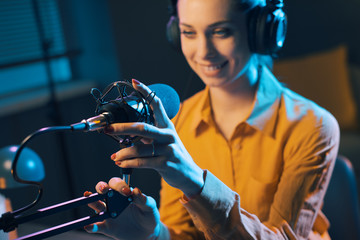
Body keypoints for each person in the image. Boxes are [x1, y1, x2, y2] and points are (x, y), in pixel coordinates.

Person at [84, 0, 340, 239]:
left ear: (260, 31)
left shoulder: (313, 126)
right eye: (188, 32)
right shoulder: (179, 120)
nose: (204, 52)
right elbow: (184, 233)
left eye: (221, 32)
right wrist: (153, 234)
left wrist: (195, 183)